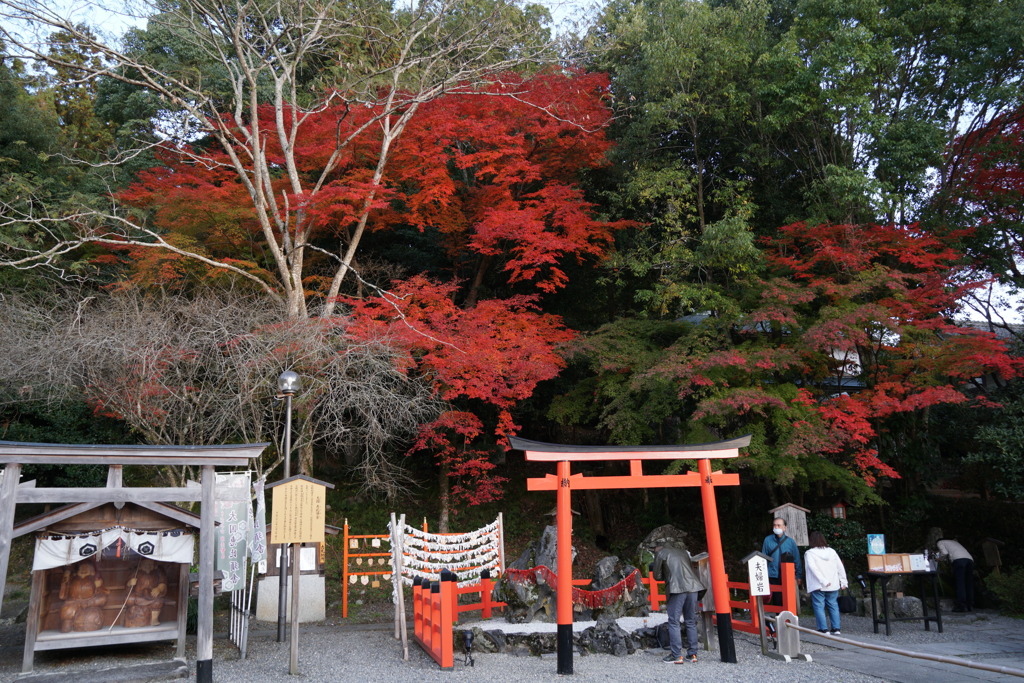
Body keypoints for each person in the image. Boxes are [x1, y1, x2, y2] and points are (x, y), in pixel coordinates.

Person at [652, 543, 704, 664]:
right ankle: (693, 654)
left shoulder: (661, 553)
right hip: (693, 586)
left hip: (677, 588)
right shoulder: (683, 551)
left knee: (674, 621)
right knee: (690, 620)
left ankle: (676, 655)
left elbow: (656, 576)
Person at [804, 530, 848, 634]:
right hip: (833, 584)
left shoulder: (809, 553)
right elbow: (840, 567)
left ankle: (823, 629)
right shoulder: (832, 551)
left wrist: (822, 581)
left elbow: (812, 568)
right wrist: (843, 581)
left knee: (819, 606)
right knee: (833, 605)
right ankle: (836, 628)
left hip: (818, 584)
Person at [761, 517, 803, 606]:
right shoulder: (767, 540)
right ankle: (778, 617)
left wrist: (798, 575)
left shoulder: (790, 542)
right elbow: (763, 557)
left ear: (784, 527)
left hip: (788, 574)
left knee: (789, 599)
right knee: (777, 599)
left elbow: (796, 559)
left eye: (779, 525)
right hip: (773, 574)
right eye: (774, 525)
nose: (776, 527)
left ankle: (788, 618)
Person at [936, 538, 974, 612]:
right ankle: (970, 605)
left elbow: (944, 553)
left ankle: (961, 606)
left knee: (960, 583)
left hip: (959, 560)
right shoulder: (954, 542)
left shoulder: (940, 542)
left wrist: (938, 559)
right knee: (969, 583)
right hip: (970, 560)